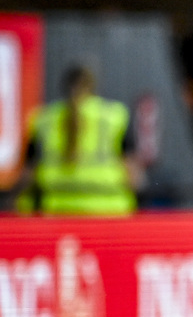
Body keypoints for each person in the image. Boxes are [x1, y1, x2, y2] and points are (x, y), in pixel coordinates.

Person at [17, 65, 141, 215]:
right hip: (109, 210)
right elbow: (132, 175)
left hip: (56, 209)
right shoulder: (114, 117)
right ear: (94, 87)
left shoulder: (44, 119)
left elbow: (28, 173)